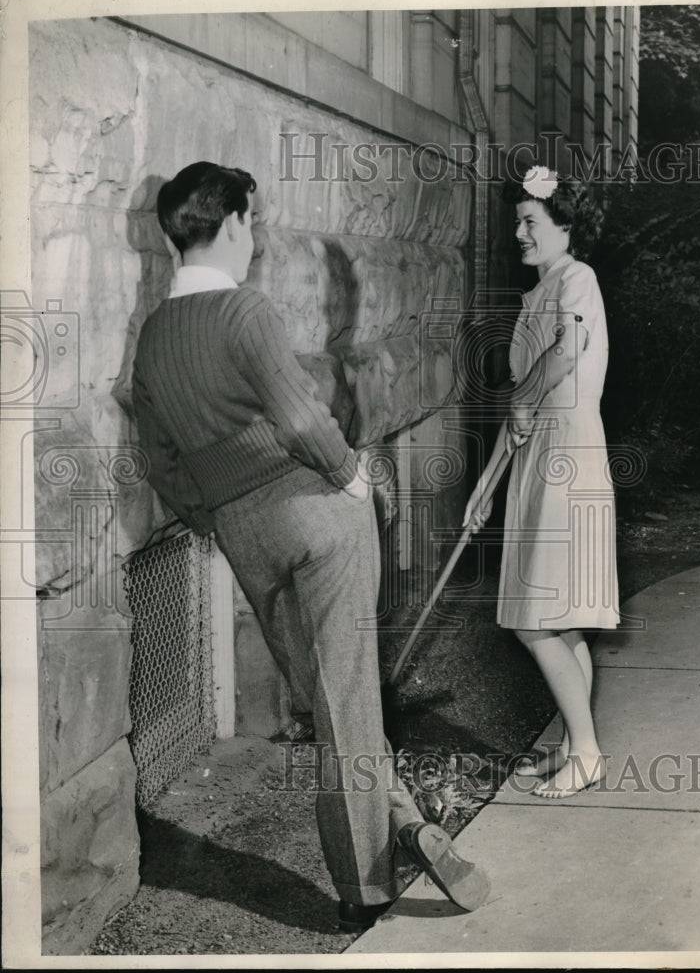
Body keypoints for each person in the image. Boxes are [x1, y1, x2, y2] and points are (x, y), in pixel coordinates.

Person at [132, 161, 489, 931]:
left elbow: (160, 458)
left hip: (242, 531)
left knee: (327, 703)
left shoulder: (155, 335)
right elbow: (299, 420)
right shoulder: (244, 311)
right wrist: (353, 479)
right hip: (316, 511)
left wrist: (211, 518)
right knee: (350, 696)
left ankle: (400, 823)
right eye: (250, 221)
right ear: (229, 222)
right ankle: (364, 885)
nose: (252, 235)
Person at [464, 166, 620, 799]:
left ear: (565, 227)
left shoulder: (577, 280)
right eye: (517, 223)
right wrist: (487, 485)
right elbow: (519, 406)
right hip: (536, 458)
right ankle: (574, 744)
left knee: (537, 621)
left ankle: (586, 752)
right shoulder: (537, 293)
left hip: (569, 458)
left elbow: (563, 356)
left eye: (530, 222)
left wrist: (524, 398)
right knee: (565, 622)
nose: (519, 234)